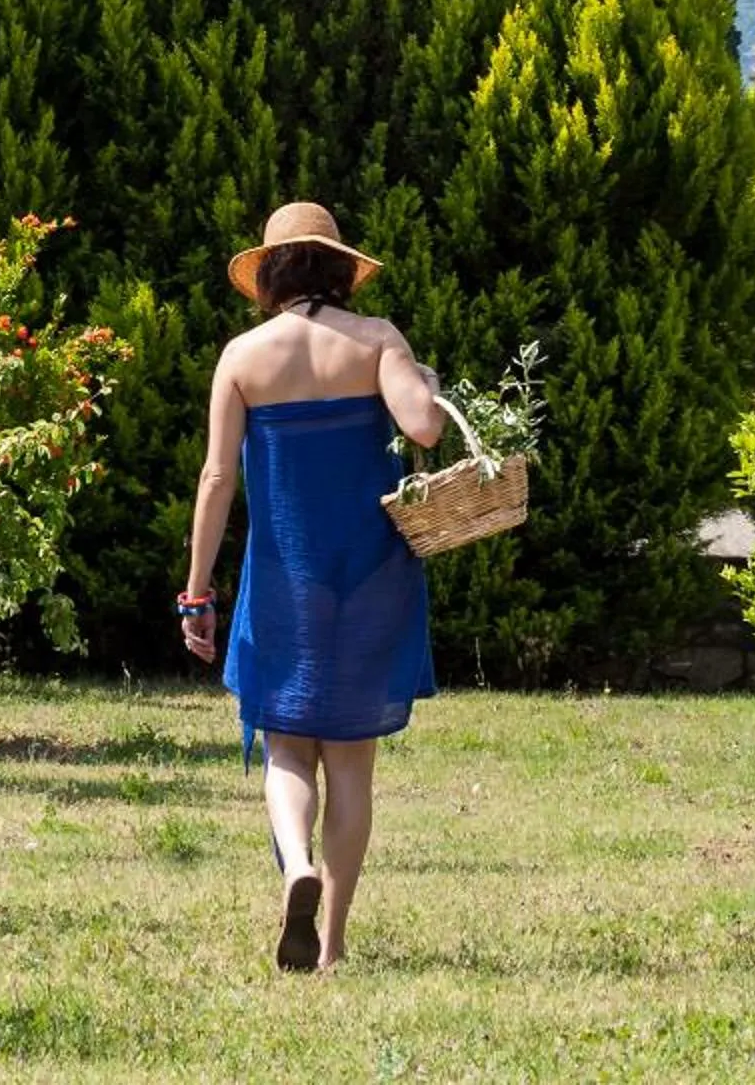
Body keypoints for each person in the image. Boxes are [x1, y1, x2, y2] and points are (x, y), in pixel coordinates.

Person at [180, 201, 446, 973]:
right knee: (352, 764)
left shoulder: (243, 356)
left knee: (287, 749)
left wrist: (196, 591)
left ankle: (295, 861)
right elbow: (425, 427)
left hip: (283, 579)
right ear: (338, 267)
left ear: (269, 275)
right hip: (371, 577)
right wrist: (420, 376)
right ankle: (331, 945)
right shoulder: (374, 340)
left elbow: (217, 476)